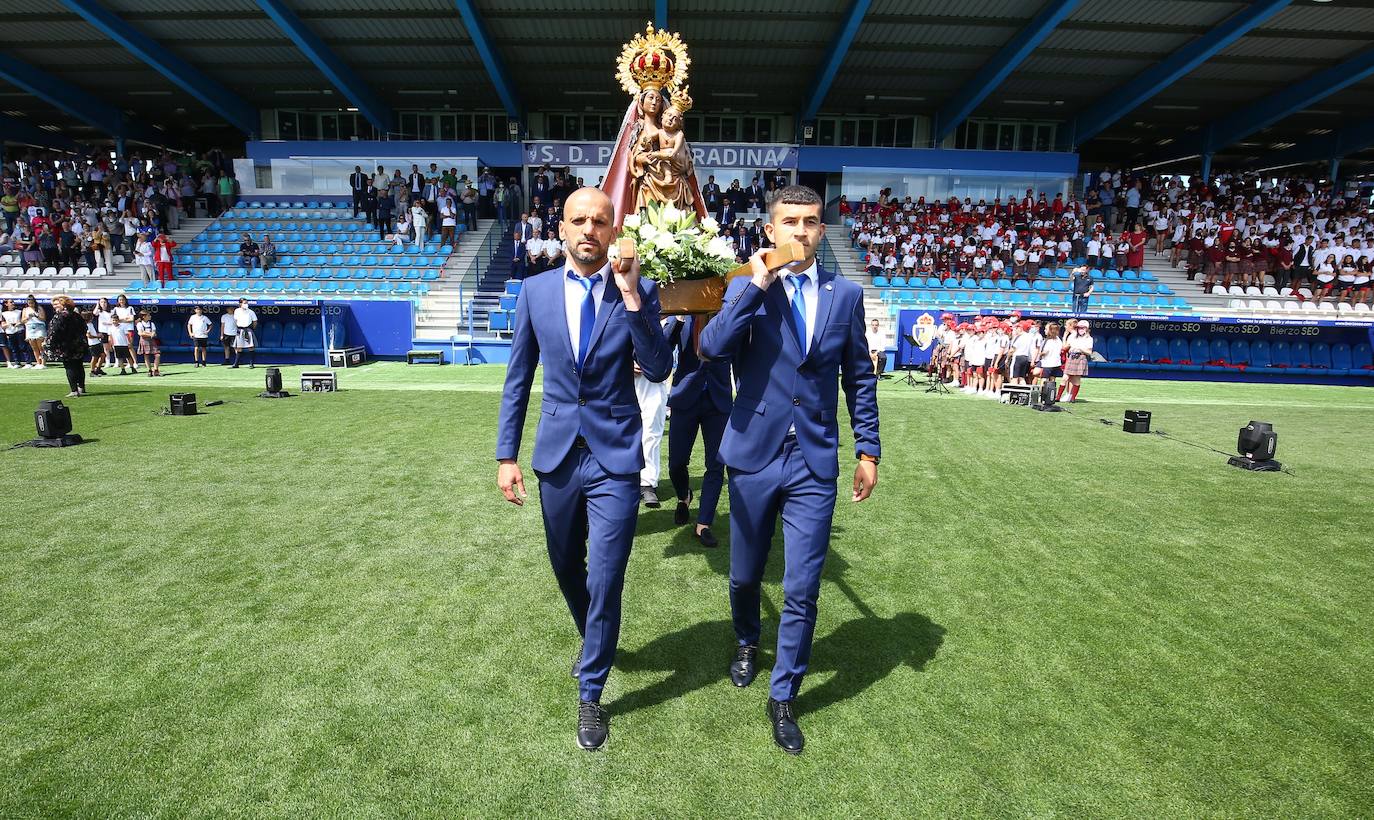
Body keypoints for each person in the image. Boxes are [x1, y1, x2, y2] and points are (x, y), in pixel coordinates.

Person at [698, 185, 880, 755]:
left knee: (802, 586)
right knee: (744, 575)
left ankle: (784, 695)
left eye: (811, 221)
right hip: (754, 454)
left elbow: (859, 377)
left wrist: (868, 450)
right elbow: (711, 348)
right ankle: (747, 639)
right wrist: (756, 285)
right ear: (770, 230)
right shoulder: (745, 286)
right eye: (790, 221)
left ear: (822, 229)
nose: (801, 230)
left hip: (813, 460)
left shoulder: (844, 295)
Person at [494, 187, 671, 752]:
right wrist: (506, 456)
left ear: (613, 229)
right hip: (557, 455)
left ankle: (591, 692)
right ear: (562, 228)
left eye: (599, 221)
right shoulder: (535, 291)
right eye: (579, 220)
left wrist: (633, 294)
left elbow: (659, 367)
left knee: (606, 575)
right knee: (567, 563)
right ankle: (595, 636)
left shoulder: (639, 290)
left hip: (615, 456)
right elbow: (518, 379)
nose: (589, 229)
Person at [664, 313, 731, 548]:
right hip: (685, 398)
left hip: (718, 399)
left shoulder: (726, 314)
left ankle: (704, 523)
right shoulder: (682, 315)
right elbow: (663, 348)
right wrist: (678, 319)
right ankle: (684, 496)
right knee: (676, 463)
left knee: (715, 465)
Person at [43, 295, 89, 397]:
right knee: (79, 366)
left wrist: (49, 344)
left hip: (66, 346)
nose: (54, 306)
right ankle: (81, 388)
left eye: (56, 304)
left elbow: (54, 331)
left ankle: (74, 390)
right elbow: (84, 328)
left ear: (63, 305)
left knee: (70, 366)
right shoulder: (77, 315)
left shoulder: (60, 316)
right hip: (79, 345)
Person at [1059, 320, 1093, 403]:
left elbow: (1089, 352)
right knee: (1065, 378)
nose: (1080, 329)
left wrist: (1080, 349)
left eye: (1082, 328)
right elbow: (1065, 347)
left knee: (1076, 379)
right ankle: (1058, 397)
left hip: (1081, 357)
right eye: (1079, 328)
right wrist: (1065, 337)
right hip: (1072, 356)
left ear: (1086, 329)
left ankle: (1072, 398)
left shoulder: (1089, 339)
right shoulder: (1073, 336)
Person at [2, 298, 32, 368]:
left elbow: (23, 320)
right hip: (10, 332)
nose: (13, 303)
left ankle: (28, 363)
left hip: (19, 331)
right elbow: (3, 325)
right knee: (14, 349)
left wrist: (19, 323)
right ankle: (17, 363)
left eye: (13, 302)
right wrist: (8, 324)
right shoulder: (4, 313)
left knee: (23, 347)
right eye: (11, 302)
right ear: (6, 304)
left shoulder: (19, 311)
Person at [22, 295, 47, 369]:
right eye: (29, 303)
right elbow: (22, 320)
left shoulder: (39, 308)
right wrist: (28, 317)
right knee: (34, 347)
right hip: (30, 327)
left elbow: (43, 319)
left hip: (39, 327)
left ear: (34, 302)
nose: (31, 304)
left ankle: (43, 363)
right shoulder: (25, 309)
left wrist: (36, 316)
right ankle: (38, 363)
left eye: (32, 303)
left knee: (41, 347)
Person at [232, 298, 258, 368]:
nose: (246, 304)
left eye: (247, 303)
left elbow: (255, 321)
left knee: (251, 347)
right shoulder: (237, 311)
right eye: (244, 303)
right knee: (239, 347)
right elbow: (235, 320)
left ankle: (251, 363)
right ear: (240, 304)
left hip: (248, 330)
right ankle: (236, 364)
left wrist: (252, 328)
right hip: (240, 330)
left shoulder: (251, 312)